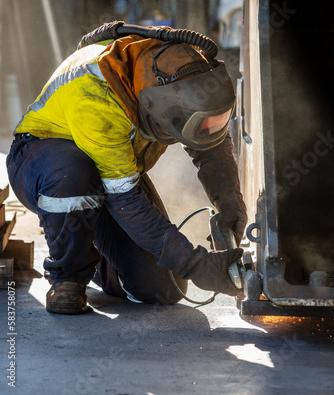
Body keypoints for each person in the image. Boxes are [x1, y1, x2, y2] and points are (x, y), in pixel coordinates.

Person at [6, 21, 247, 314]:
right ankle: (67, 276)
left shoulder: (182, 70)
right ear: (153, 107)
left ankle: (95, 253)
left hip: (114, 177)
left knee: (161, 289)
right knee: (73, 173)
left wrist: (230, 205)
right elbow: (127, 201)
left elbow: (211, 146)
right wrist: (196, 263)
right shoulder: (95, 94)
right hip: (40, 162)